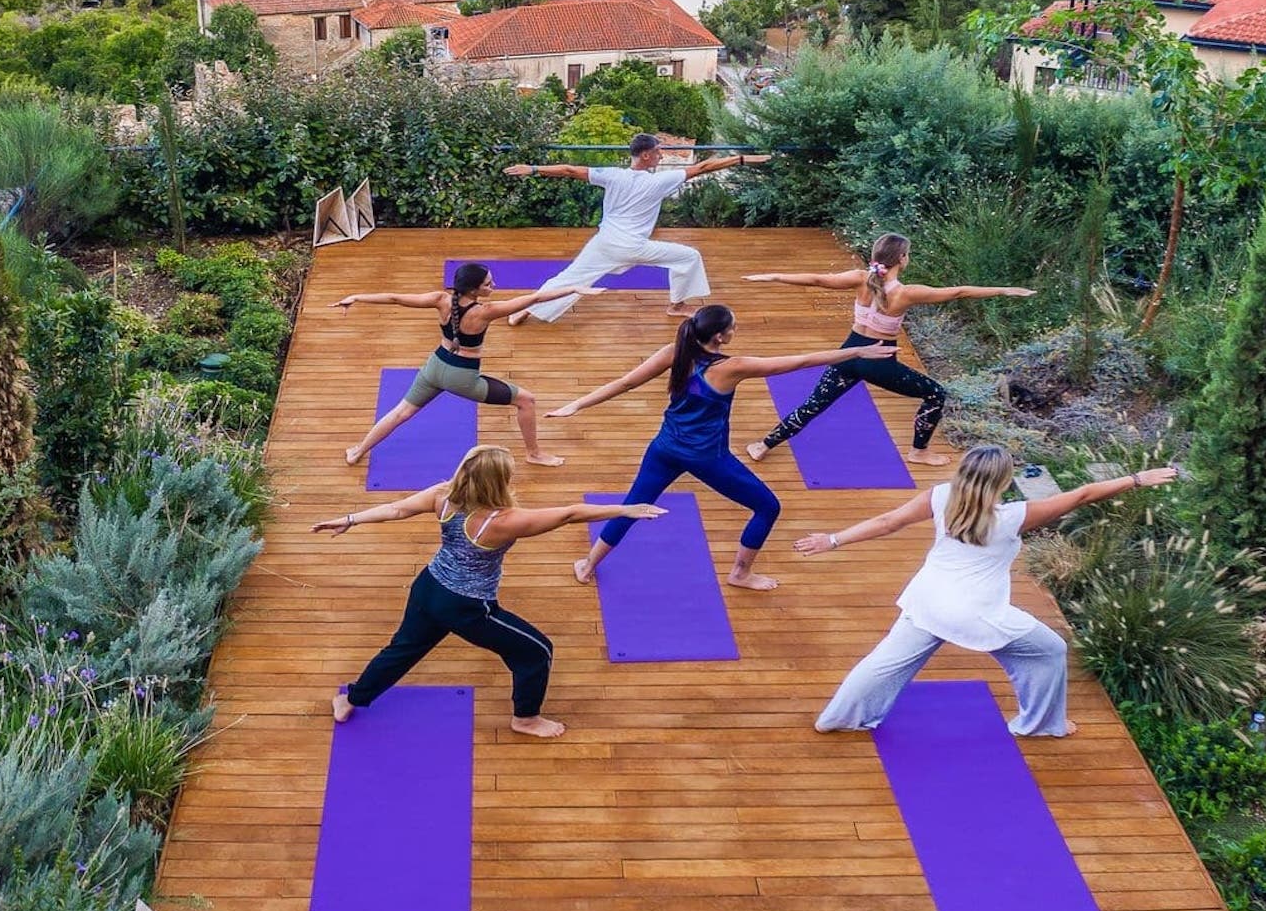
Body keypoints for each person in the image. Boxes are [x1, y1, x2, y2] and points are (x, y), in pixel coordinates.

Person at [795, 448, 1177, 736]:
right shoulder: (1013, 517)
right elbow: (1082, 494)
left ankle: (836, 718)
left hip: (926, 599)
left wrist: (833, 539)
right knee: (1050, 650)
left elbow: (887, 521)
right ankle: (1042, 724)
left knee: (885, 663)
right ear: (1002, 482)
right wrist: (1136, 479)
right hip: (975, 613)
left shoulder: (941, 497)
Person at [315, 444, 662, 739]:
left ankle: (350, 699)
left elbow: (396, 509)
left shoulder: (443, 496)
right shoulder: (503, 521)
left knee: (402, 649)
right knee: (536, 652)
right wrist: (626, 509)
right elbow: (569, 515)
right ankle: (525, 719)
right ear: (499, 481)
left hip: (428, 586)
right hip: (467, 606)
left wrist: (350, 519)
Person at [552, 304, 894, 591]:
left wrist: (577, 404)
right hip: (707, 458)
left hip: (664, 448)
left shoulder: (675, 352)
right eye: (733, 326)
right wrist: (857, 351)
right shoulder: (732, 367)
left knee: (632, 506)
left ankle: (588, 564)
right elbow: (799, 361)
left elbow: (625, 382)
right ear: (719, 336)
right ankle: (740, 574)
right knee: (768, 507)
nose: (735, 330)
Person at [744, 232, 1034, 469]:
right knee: (935, 394)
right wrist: (1004, 290)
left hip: (849, 353)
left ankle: (763, 445)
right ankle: (919, 451)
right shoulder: (906, 293)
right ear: (902, 258)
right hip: (879, 361)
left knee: (814, 404)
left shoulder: (860, 278)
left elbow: (818, 280)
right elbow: (958, 292)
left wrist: (774, 276)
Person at [336, 263, 599, 468]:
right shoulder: (485, 311)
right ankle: (534, 454)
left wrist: (357, 297)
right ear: (474, 290)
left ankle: (357, 451)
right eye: (488, 284)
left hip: (434, 366)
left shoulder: (441, 299)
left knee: (400, 413)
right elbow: (535, 298)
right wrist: (574, 289)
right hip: (462, 378)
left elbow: (395, 298)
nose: (493, 286)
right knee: (526, 400)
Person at [500, 133, 770, 324]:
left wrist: (533, 169)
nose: (661, 155)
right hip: (633, 246)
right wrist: (741, 160)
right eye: (658, 152)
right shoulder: (659, 181)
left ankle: (523, 310)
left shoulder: (612, 175)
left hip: (604, 242)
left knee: (570, 278)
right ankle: (677, 306)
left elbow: (570, 170)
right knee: (689, 257)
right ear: (646, 155)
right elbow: (704, 167)